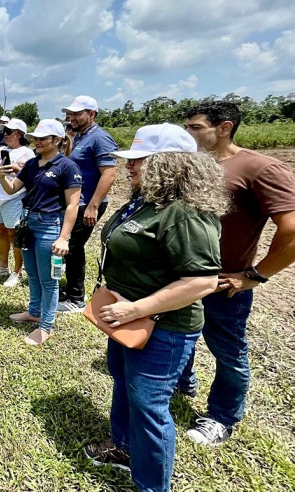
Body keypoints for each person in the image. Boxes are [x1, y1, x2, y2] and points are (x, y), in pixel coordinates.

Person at [82, 123, 228, 492]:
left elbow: (201, 281)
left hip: (163, 328)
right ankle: (124, 447)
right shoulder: (146, 202)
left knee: (149, 406)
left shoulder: (184, 213)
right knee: (124, 383)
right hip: (126, 318)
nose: (129, 167)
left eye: (138, 160)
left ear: (168, 164)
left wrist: (137, 309)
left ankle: (151, 485)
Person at [177, 101, 295, 446]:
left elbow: (290, 231)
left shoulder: (260, 168)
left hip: (223, 283)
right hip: (181, 277)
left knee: (228, 350)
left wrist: (254, 276)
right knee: (180, 334)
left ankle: (222, 416)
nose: (189, 133)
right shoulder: (194, 165)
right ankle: (183, 382)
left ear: (225, 127)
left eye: (196, 127)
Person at [0, 119, 81, 344]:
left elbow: (73, 205)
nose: (37, 141)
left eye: (43, 138)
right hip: (27, 223)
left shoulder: (67, 167)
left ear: (57, 140)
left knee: (48, 280)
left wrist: (64, 237)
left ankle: (46, 326)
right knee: (33, 274)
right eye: (36, 137)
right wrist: (1, 176)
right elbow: (13, 188)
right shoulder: (33, 164)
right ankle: (34, 312)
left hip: (49, 226)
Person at [58, 96, 118, 313]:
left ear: (92, 114)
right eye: (70, 113)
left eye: (77, 113)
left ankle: (76, 298)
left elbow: (109, 174)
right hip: (76, 201)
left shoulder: (100, 138)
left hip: (88, 203)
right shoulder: (80, 136)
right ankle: (69, 288)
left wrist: (93, 205)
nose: (71, 117)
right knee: (70, 248)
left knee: (73, 247)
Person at [0, 118, 35, 288]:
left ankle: (17, 271)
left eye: (8, 132)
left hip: (13, 197)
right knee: (1, 231)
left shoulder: (27, 153)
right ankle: (3, 265)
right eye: (4, 132)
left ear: (19, 134)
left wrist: (16, 168)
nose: (4, 135)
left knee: (15, 235)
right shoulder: (2, 149)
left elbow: (29, 175)